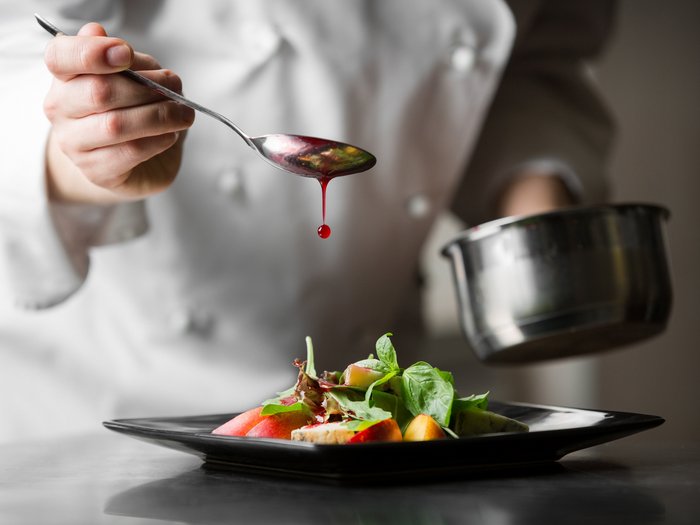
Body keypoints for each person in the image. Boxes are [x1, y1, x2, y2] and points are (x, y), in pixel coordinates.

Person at [0, 0, 614, 444]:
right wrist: (85, 151)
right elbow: (25, 52)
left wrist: (539, 214)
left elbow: (533, 57)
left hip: (379, 414)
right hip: (110, 406)